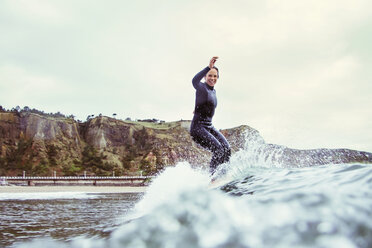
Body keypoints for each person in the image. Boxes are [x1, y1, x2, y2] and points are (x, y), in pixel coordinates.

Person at [190, 56, 231, 176]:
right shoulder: (201, 87)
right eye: (210, 75)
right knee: (218, 149)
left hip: (208, 126)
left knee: (226, 149)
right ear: (205, 77)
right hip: (198, 128)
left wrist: (197, 107)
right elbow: (194, 81)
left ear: (218, 77)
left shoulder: (213, 92)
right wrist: (208, 67)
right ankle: (213, 177)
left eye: (215, 76)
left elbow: (206, 104)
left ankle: (224, 175)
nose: (212, 78)